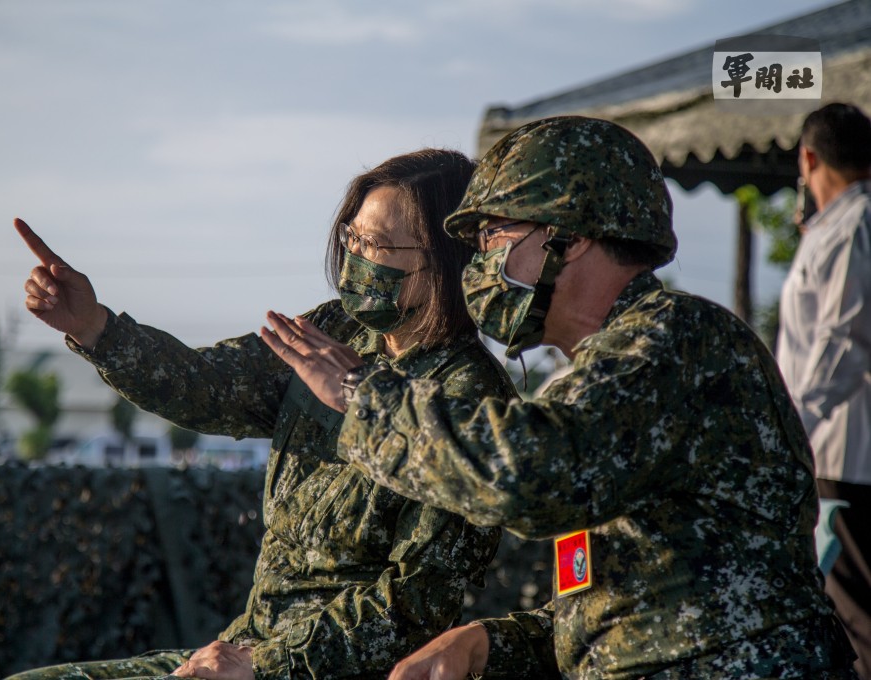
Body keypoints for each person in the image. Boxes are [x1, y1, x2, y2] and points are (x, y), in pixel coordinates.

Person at [262, 116, 859, 678]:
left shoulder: (675, 339)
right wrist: (486, 644)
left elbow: (527, 475)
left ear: (566, 239)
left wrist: (360, 393)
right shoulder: (603, 377)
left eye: (493, 234)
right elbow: (616, 615)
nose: (478, 263)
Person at [8, 149, 516, 680]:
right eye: (353, 239)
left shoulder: (469, 397)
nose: (358, 257)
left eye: (380, 245)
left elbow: (414, 605)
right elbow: (207, 387)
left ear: (446, 257)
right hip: (242, 649)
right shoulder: (332, 334)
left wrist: (265, 664)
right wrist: (95, 328)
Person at [778, 102, 871, 679]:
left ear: (808, 159)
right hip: (835, 448)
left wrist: (787, 432)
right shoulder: (842, 222)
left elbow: (843, 343)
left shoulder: (856, 220)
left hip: (842, 454)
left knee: (856, 626)